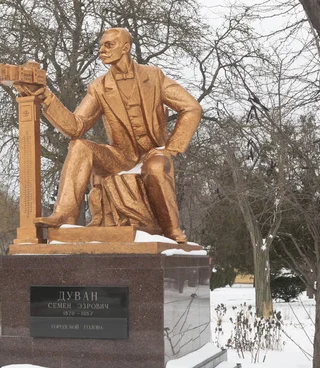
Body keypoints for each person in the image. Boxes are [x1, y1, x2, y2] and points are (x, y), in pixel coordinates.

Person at [26, 27, 202, 243]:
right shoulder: (99, 87)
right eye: (101, 46)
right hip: (120, 157)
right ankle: (65, 213)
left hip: (152, 155)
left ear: (126, 48)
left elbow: (191, 108)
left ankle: (170, 228)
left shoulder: (154, 77)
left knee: (155, 167)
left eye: (108, 45)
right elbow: (76, 126)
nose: (101, 50)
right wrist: (46, 96)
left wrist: (170, 149)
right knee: (80, 146)